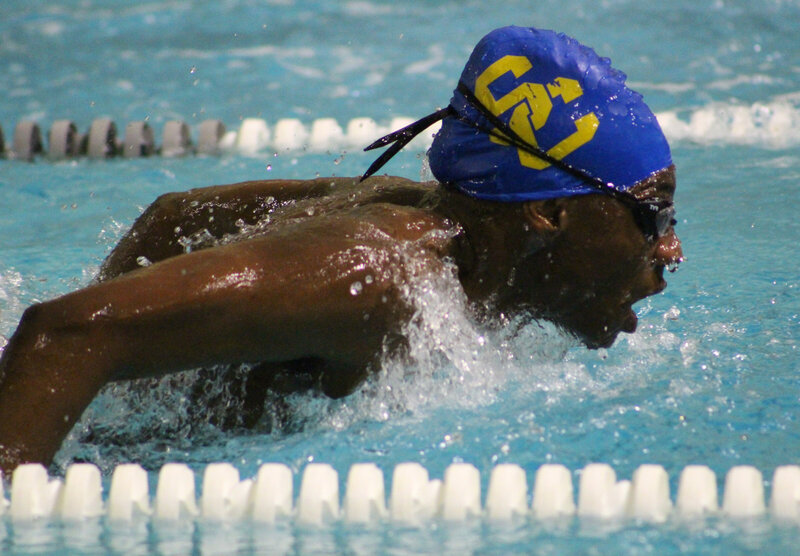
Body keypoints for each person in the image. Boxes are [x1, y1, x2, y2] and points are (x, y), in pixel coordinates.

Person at [0, 26, 682, 473]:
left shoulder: (437, 234)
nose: (671, 249)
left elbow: (173, 217)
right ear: (552, 211)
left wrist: (155, 389)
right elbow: (64, 335)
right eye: (653, 216)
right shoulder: (379, 277)